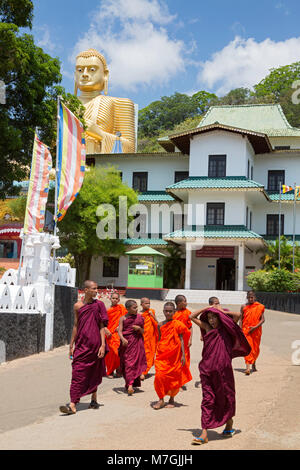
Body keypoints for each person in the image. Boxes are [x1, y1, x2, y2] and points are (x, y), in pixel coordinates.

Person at [189, 301, 251, 445]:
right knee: (207, 399)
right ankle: (204, 433)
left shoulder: (226, 329)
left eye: (214, 317)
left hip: (224, 372)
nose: (211, 320)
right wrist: (208, 308)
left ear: (219, 317)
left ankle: (229, 424)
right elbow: (192, 316)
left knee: (225, 398)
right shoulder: (207, 328)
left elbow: (238, 315)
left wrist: (221, 311)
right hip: (207, 370)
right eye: (209, 317)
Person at [59, 280, 108, 415]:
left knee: (94, 370)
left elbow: (101, 326)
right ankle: (73, 403)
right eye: (93, 289)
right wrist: (71, 344)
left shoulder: (99, 305)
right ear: (86, 290)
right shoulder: (78, 306)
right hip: (81, 345)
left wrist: (103, 345)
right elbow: (76, 325)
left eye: (96, 289)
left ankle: (93, 398)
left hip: (96, 345)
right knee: (77, 373)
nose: (96, 291)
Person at [75, 48, 135, 154]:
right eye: (80, 70)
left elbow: (130, 148)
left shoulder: (120, 103)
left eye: (92, 69)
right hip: (68, 164)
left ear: (105, 74)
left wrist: (99, 134)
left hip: (99, 164)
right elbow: (52, 144)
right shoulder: (63, 105)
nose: (84, 74)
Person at [153, 302, 192, 410]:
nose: (168, 313)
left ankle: (171, 398)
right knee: (159, 376)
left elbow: (181, 339)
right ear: (163, 311)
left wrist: (183, 355)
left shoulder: (178, 324)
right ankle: (160, 399)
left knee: (174, 377)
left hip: (175, 355)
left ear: (174, 312)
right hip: (162, 355)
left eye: (170, 311)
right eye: (166, 311)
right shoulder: (160, 325)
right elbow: (160, 339)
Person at [118, 300, 147, 395]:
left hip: (137, 342)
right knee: (127, 363)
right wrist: (122, 339)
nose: (136, 309)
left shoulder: (140, 317)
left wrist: (139, 329)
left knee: (135, 363)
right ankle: (129, 383)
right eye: (134, 308)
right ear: (127, 309)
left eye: (137, 307)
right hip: (126, 344)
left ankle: (130, 385)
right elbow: (120, 331)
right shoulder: (122, 318)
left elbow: (143, 331)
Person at [240, 291, 265, 375]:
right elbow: (241, 319)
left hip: (256, 330)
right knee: (248, 347)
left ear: (255, 297)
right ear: (247, 297)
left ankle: (253, 364)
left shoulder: (260, 306)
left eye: (252, 297)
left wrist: (255, 327)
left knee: (255, 348)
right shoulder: (244, 306)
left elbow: (263, 319)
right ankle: (247, 368)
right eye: (249, 297)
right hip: (246, 330)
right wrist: (240, 330)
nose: (251, 299)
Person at [104, 292, 127, 378]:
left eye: (116, 298)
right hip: (109, 334)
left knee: (118, 352)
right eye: (113, 298)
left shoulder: (121, 308)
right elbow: (102, 321)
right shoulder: (107, 310)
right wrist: (106, 329)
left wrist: (120, 326)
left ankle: (118, 369)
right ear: (110, 299)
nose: (115, 300)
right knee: (110, 353)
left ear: (119, 300)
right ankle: (110, 371)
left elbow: (126, 318)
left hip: (118, 333)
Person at [173, 294, 193, 388]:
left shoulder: (188, 312)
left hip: (185, 341)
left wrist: (190, 339)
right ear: (178, 303)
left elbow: (190, 327)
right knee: (175, 360)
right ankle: (175, 380)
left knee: (185, 360)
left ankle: (182, 380)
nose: (186, 303)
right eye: (184, 301)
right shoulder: (173, 313)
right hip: (174, 340)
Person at [140, 297, 159, 380]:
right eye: (146, 303)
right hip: (142, 338)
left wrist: (153, 316)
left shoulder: (152, 312)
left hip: (151, 338)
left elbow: (157, 324)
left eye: (149, 303)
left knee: (149, 355)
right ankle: (141, 371)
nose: (148, 305)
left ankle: (144, 372)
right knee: (142, 355)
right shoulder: (139, 314)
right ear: (141, 304)